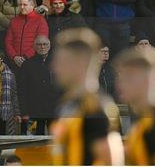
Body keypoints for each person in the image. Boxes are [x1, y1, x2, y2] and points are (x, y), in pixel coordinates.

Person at [51, 28, 124, 165]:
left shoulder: (96, 108)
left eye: (61, 61)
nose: (55, 67)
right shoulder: (67, 104)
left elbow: (111, 162)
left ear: (80, 62)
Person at [21, 35, 58, 135]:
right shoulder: (27, 64)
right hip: (34, 110)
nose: (42, 47)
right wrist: (24, 112)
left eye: (45, 44)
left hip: (54, 110)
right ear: (34, 46)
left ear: (50, 46)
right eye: (39, 44)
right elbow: (22, 90)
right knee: (33, 141)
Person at [5, 0, 49, 66]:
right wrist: (14, 56)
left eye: (25, 5)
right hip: (14, 62)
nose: (22, 7)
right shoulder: (14, 21)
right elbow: (8, 41)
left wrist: (25, 57)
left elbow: (41, 43)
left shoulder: (41, 21)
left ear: (32, 6)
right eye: (20, 4)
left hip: (33, 62)